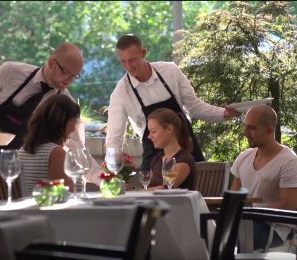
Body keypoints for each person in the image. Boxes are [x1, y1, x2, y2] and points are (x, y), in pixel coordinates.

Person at [0, 43, 100, 199]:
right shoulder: (11, 71)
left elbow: (77, 149)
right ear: (51, 63)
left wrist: (103, 179)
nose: (69, 80)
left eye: (75, 76)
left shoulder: (64, 104)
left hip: (4, 170)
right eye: (66, 72)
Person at [106, 34, 240, 171]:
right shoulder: (120, 93)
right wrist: (112, 168)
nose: (128, 66)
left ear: (143, 53)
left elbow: (194, 106)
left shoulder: (170, 71)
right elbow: (114, 137)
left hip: (187, 150)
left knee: (198, 190)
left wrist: (224, 113)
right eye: (123, 62)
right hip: (155, 159)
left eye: (132, 60)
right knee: (152, 190)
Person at [231, 105, 297, 250]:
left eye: (252, 128)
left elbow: (290, 205)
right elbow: (234, 197)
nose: (245, 132)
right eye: (245, 127)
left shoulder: (289, 162)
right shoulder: (243, 157)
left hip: (273, 229)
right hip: (245, 222)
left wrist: (251, 211)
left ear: (269, 130)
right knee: (203, 231)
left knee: (225, 237)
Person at [17, 95, 81, 195]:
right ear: (62, 121)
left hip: (31, 209)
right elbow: (63, 196)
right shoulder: (56, 153)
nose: (74, 128)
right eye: (75, 121)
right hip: (50, 209)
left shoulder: (22, 150)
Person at [147, 108, 196, 189]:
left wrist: (138, 192)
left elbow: (167, 188)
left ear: (169, 129)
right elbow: (148, 186)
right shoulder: (156, 159)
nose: (149, 136)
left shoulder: (184, 159)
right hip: (155, 202)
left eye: (154, 131)